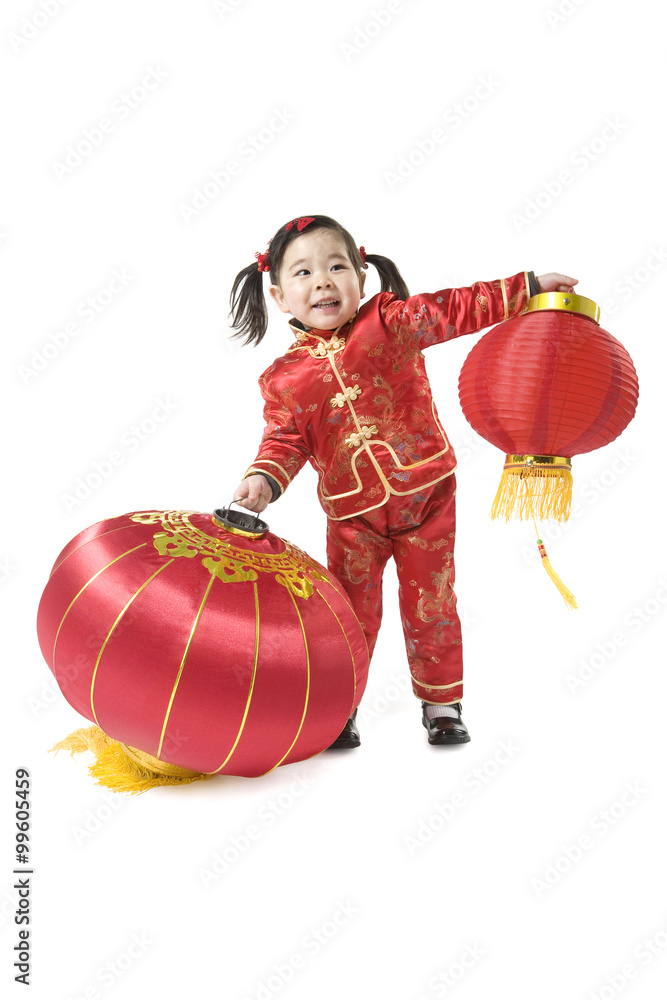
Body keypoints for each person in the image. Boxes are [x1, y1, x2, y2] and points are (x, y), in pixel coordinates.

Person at [229, 215, 576, 748]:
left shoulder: (391, 322)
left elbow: (457, 308)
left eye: (336, 266)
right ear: (278, 294)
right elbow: (285, 442)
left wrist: (526, 287)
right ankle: (339, 709)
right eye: (303, 272)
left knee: (431, 603)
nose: (322, 280)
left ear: (362, 279)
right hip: (352, 518)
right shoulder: (282, 380)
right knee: (348, 616)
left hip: (426, 497)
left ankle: (442, 704)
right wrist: (262, 479)